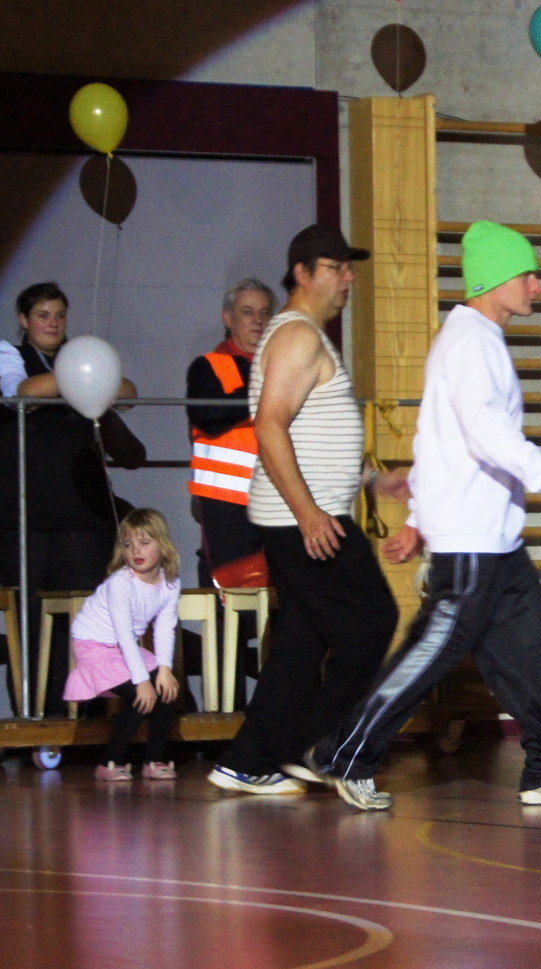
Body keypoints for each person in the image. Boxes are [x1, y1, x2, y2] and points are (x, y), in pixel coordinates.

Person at [296, 221, 541, 810]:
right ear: (494, 279)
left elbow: (437, 441)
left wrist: (417, 517)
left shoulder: (478, 338)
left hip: (495, 540)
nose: (536, 287)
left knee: (533, 651)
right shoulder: (470, 342)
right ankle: (344, 754)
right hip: (472, 541)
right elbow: (486, 433)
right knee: (430, 651)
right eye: (526, 275)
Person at [209, 225, 402, 796]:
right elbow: (269, 426)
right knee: (372, 621)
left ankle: (250, 759)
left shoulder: (304, 334)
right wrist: (310, 514)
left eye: (350, 267)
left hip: (301, 515)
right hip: (306, 521)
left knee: (302, 641)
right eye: (336, 268)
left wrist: (373, 480)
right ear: (302, 272)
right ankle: (326, 745)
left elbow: (313, 437)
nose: (349, 278)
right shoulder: (297, 336)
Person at [0, 282, 143, 716]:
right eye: (43, 315)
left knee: (83, 614)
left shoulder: (83, 355)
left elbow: (128, 391)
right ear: (24, 320)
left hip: (79, 510)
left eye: (60, 315)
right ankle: (36, 718)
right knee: (29, 615)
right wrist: (82, 378)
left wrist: (93, 378)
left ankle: (85, 716)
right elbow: (20, 393)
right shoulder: (8, 353)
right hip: (17, 509)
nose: (53, 323)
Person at [62, 509, 183, 781]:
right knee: (141, 697)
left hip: (121, 649)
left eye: (145, 542)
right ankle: (109, 762)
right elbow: (124, 634)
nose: (136, 550)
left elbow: (165, 627)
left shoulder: (170, 583)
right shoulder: (121, 583)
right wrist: (141, 681)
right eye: (128, 545)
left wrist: (164, 670)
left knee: (165, 692)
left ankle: (154, 761)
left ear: (163, 545)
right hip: (95, 645)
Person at [186, 278, 274, 585]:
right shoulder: (208, 366)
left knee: (283, 597)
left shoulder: (284, 369)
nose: (258, 320)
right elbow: (208, 415)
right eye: (248, 312)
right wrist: (266, 388)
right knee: (234, 597)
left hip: (282, 501)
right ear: (228, 317)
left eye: (265, 312)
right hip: (227, 508)